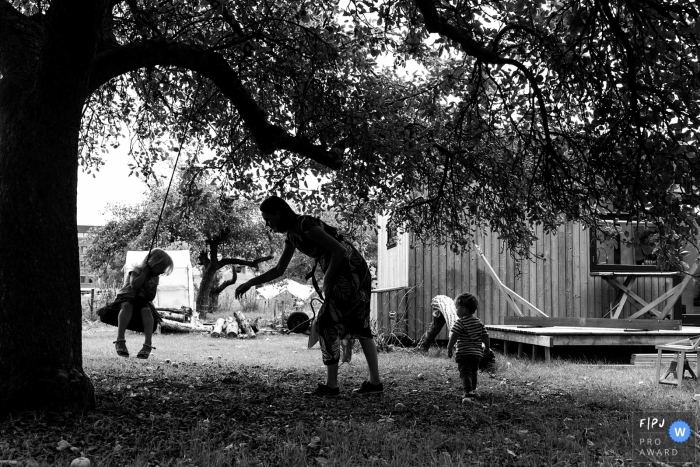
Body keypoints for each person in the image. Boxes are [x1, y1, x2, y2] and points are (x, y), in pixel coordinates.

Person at [235, 195, 383, 397]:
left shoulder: (304, 223)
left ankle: (333, 387)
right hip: (346, 272)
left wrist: (328, 279)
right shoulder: (292, 236)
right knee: (356, 325)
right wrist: (251, 281)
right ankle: (374, 383)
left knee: (328, 324)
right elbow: (279, 269)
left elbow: (338, 250)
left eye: (268, 219)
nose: (268, 225)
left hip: (351, 271)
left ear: (279, 213)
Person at [106, 248, 174, 359]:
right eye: (162, 268)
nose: (162, 271)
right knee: (127, 306)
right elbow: (134, 285)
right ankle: (120, 340)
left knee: (147, 310)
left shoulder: (155, 278)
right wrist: (144, 274)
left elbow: (151, 297)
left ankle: (147, 345)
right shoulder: (136, 270)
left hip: (142, 301)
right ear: (153, 263)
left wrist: (148, 287)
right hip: (126, 298)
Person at [447, 292, 491, 402]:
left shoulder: (460, 322)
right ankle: (473, 390)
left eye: (456, 308)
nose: (455, 311)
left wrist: (449, 347)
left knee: (465, 372)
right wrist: (487, 348)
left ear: (463, 309)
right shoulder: (479, 322)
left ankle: (468, 392)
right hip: (477, 354)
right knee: (474, 371)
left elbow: (454, 336)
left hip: (464, 353)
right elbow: (485, 335)